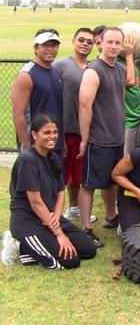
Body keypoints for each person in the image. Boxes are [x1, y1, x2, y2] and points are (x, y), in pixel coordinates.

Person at [1, 114, 96, 269]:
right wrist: (59, 234)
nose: (52, 136)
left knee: (88, 249)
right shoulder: (27, 160)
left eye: (55, 132)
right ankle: (17, 244)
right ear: (34, 135)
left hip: (50, 217)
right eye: (46, 133)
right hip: (29, 221)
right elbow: (36, 202)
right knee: (71, 261)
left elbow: (60, 192)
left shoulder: (53, 157)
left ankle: (38, 244)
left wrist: (56, 218)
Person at [78, 27, 127, 247]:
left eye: (118, 42)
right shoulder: (93, 71)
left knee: (112, 181)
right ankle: (85, 228)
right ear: (101, 43)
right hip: (98, 139)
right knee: (89, 184)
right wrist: (85, 138)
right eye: (110, 42)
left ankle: (110, 216)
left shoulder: (120, 69)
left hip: (117, 138)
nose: (114, 46)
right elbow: (84, 105)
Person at [53, 28, 97, 223]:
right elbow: (53, 98)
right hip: (64, 129)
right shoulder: (61, 65)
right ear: (73, 41)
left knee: (77, 176)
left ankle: (74, 208)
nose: (85, 44)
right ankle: (55, 213)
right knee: (59, 175)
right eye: (81, 40)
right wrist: (58, 131)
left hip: (83, 131)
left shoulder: (92, 68)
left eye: (89, 41)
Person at [12, 29, 63, 154]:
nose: (50, 49)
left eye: (54, 45)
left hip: (54, 143)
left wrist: (62, 142)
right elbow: (18, 114)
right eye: (45, 45)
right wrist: (26, 144)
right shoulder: (27, 75)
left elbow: (58, 109)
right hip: (35, 145)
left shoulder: (56, 73)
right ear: (36, 48)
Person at [117, 36, 140, 154]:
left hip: (139, 116)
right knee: (127, 156)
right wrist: (129, 55)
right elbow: (129, 82)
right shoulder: (118, 64)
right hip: (128, 119)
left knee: (136, 155)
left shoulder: (130, 63)